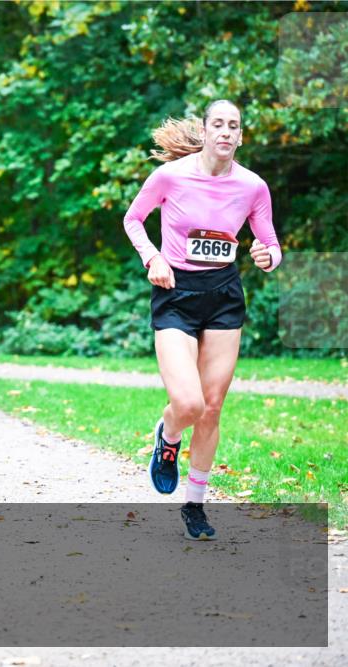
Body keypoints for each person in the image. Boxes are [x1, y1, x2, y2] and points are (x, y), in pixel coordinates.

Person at [123, 100, 282, 540]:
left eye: (234, 126)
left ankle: (195, 505)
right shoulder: (171, 176)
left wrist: (268, 257)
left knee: (212, 408)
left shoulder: (253, 186)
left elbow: (270, 244)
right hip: (175, 293)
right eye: (219, 124)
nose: (226, 132)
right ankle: (168, 434)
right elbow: (133, 219)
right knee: (189, 404)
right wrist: (152, 256)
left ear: (241, 135)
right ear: (206, 131)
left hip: (224, 297)